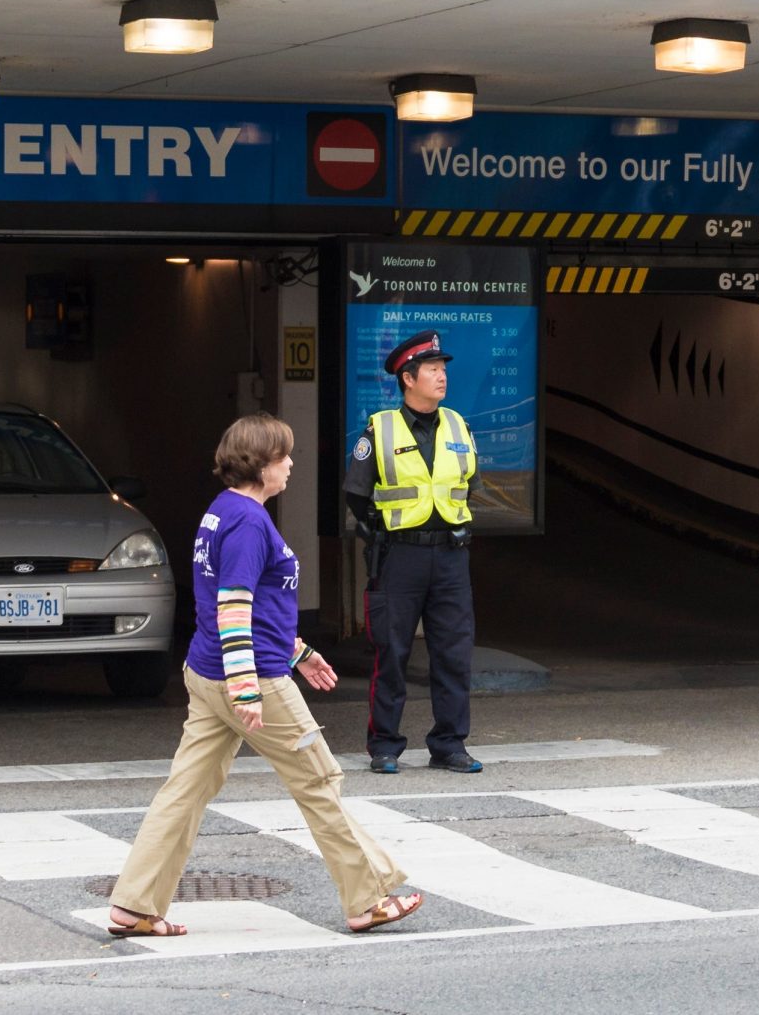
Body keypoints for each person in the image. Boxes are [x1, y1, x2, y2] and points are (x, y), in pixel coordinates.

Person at [106, 414, 422, 939]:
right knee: (319, 782)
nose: (291, 464)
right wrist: (247, 686)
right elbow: (234, 606)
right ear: (261, 464)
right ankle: (369, 899)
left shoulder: (222, 512)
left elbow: (250, 606)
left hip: (208, 672)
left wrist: (299, 651)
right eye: (284, 456)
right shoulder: (251, 523)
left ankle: (135, 903)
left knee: (184, 791)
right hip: (251, 678)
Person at [344, 329, 482, 775]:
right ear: (409, 377)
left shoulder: (459, 425)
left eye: (444, 369)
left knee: (453, 653)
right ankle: (385, 745)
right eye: (433, 370)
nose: (443, 377)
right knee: (392, 653)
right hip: (399, 557)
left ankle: (449, 744)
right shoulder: (379, 430)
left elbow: (469, 487)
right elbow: (356, 496)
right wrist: (381, 536)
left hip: (450, 558)